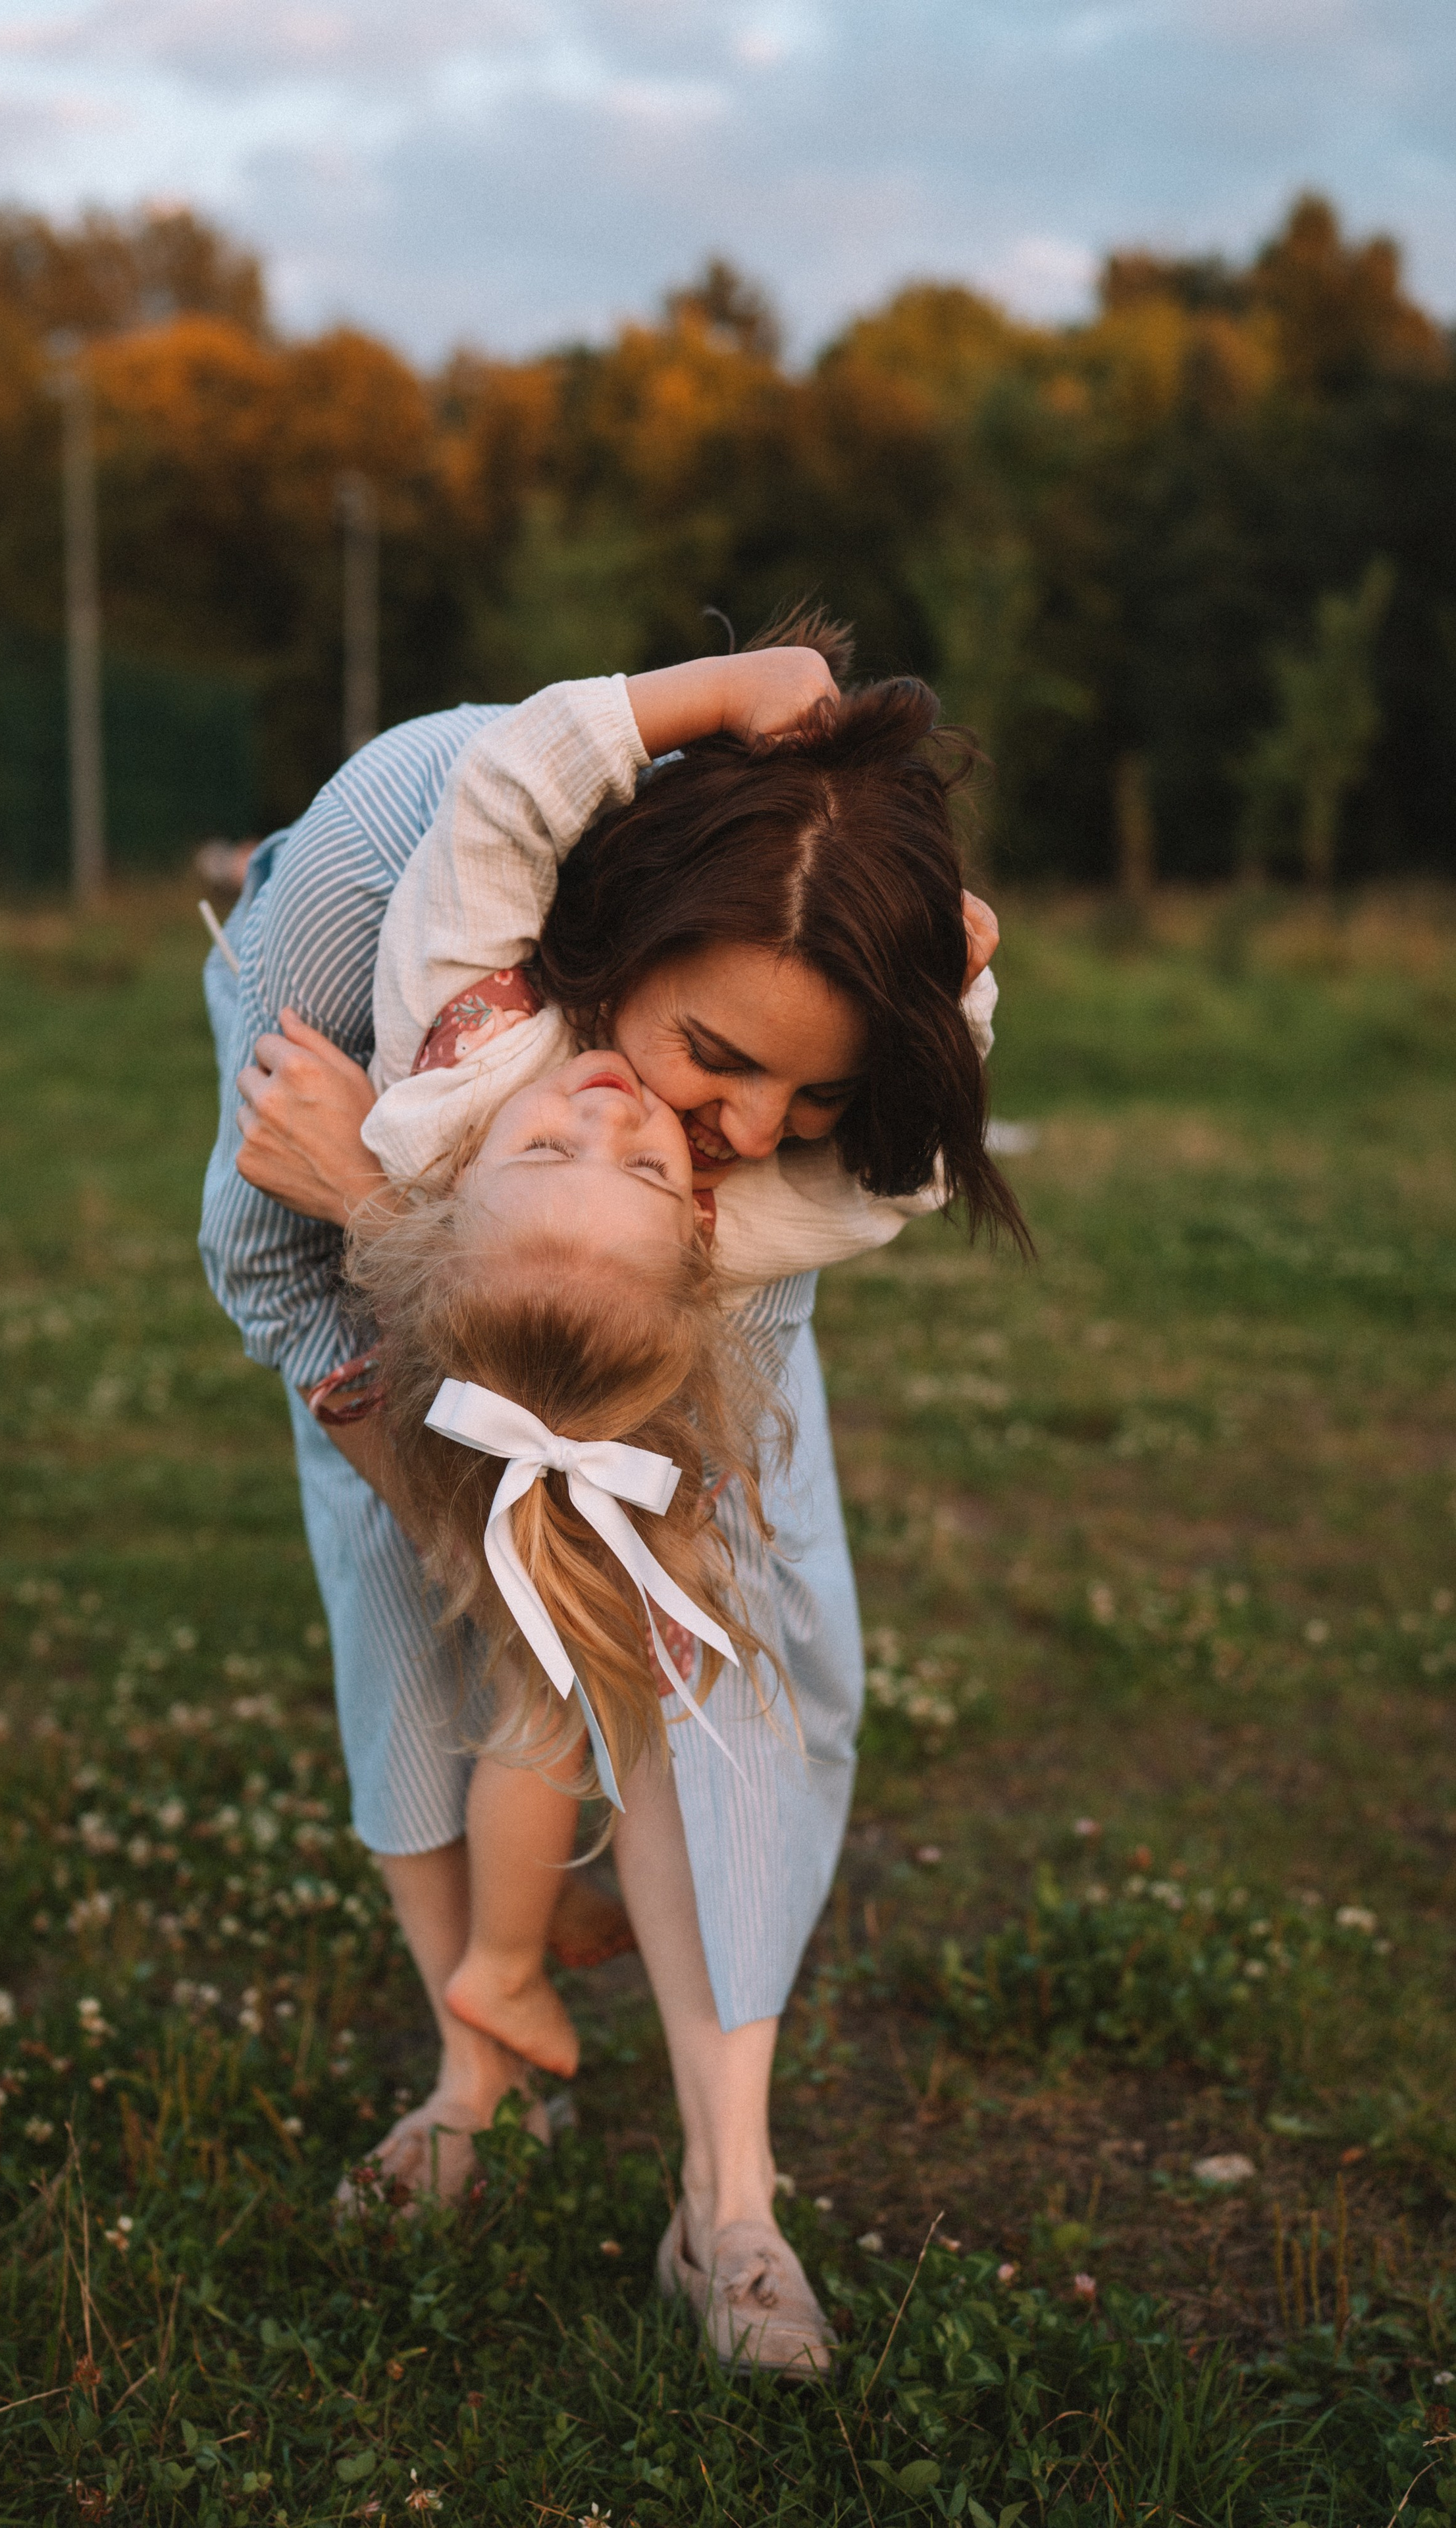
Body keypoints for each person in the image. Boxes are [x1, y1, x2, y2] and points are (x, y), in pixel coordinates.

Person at [201, 617, 1024, 2373]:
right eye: (717, 1058)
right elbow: (274, 1271)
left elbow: (819, 1172)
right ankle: (472, 2075)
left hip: (566, 1188)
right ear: (618, 950)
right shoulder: (379, 908)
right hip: (369, 1152)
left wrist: (943, 1005)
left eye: (811, 1095)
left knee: (733, 1596)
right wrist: (393, 1256)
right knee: (410, 1560)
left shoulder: (767, 1116)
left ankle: (731, 2199)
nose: (746, 1125)